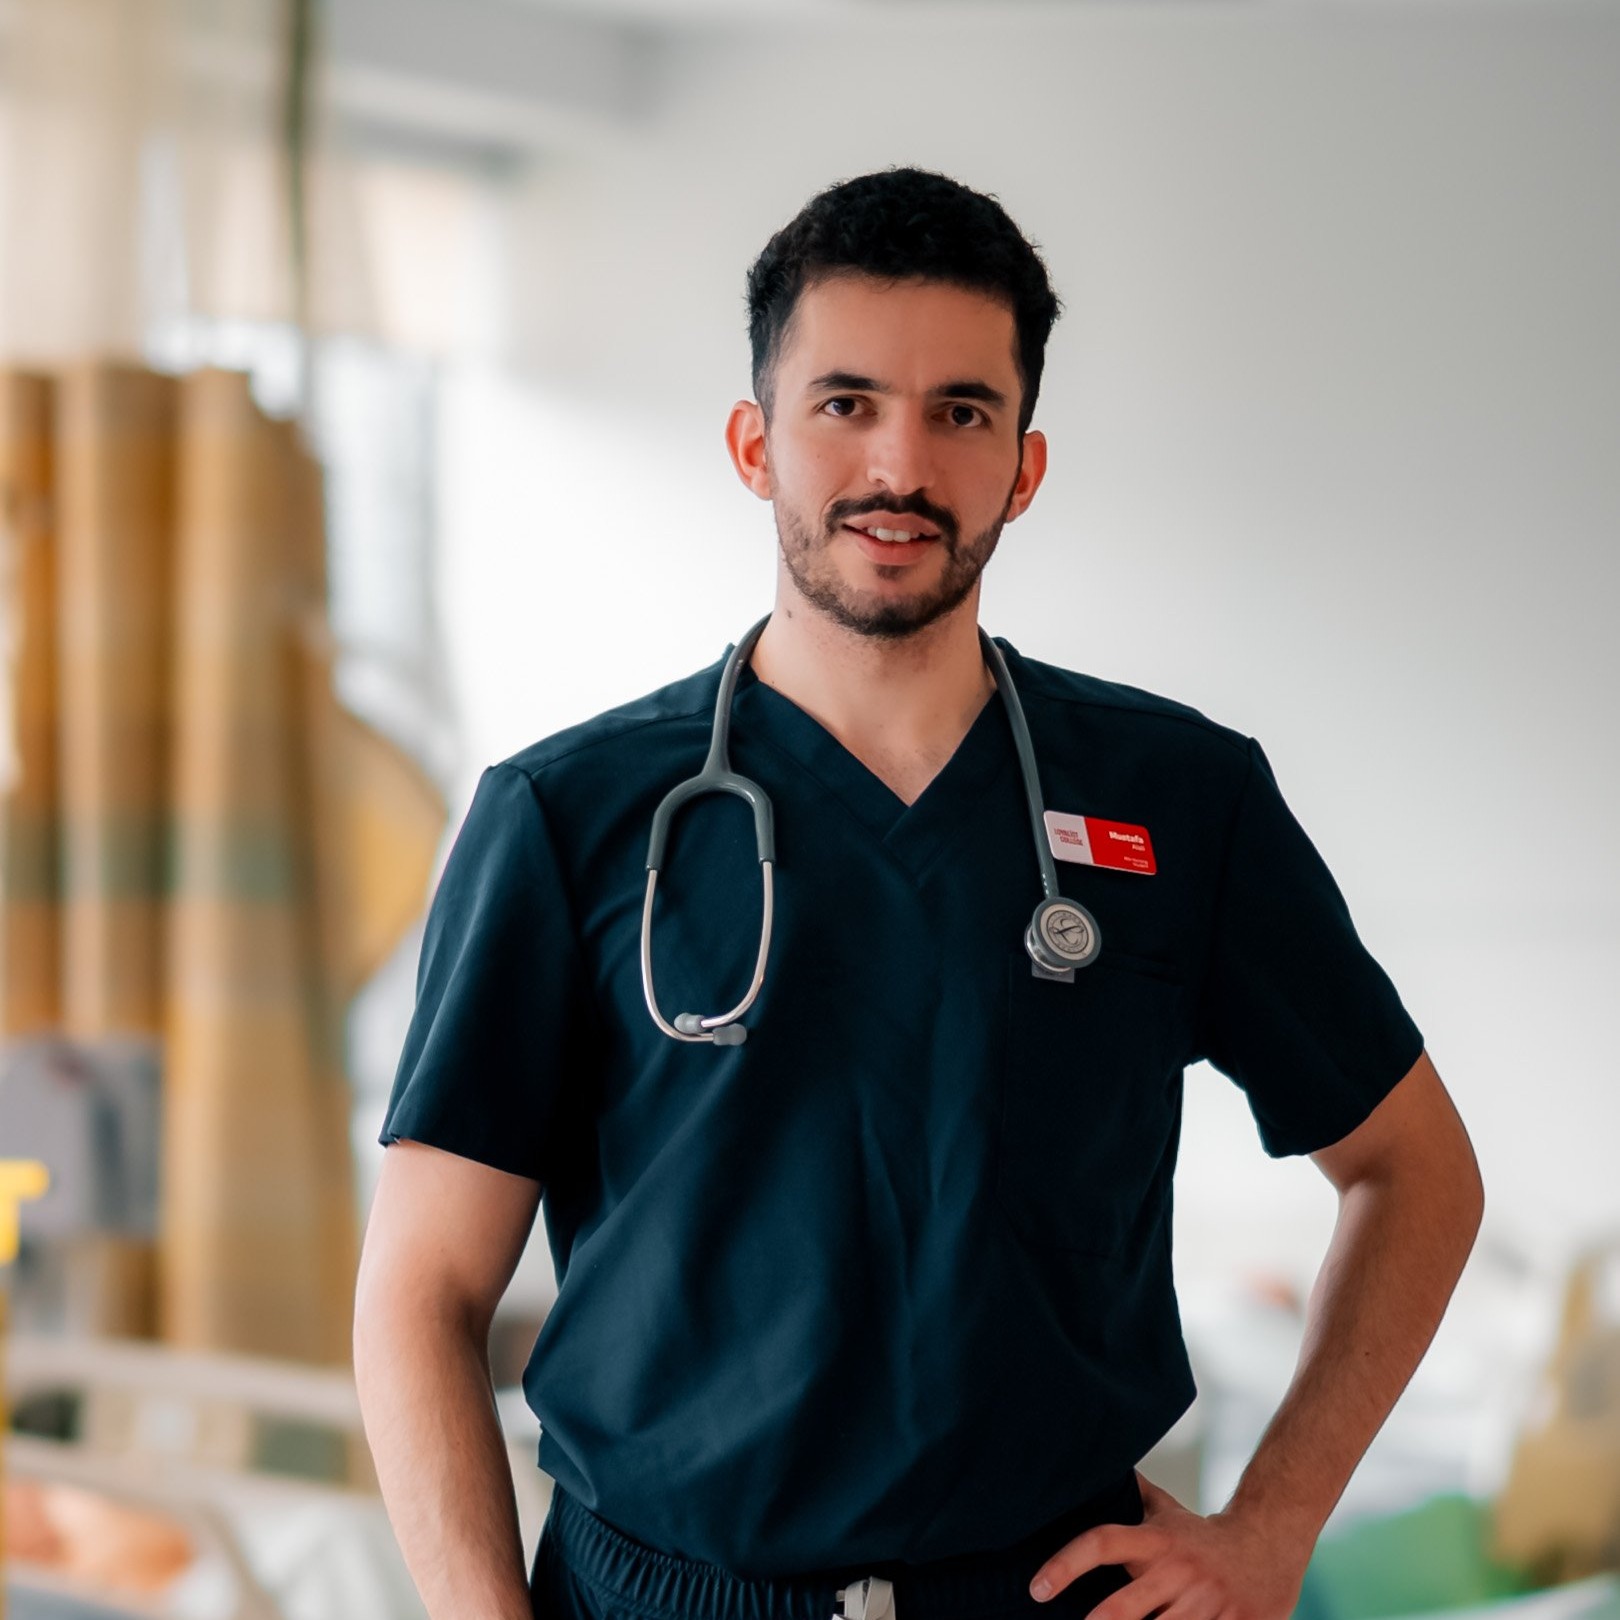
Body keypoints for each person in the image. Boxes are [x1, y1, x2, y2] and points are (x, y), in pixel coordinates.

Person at [352, 168, 1484, 1620]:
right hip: (661, 1596)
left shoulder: (1178, 801)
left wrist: (1274, 1527)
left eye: (961, 412)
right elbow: (421, 1292)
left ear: (1025, 464)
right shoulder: (566, 819)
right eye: (845, 405)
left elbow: (1417, 1171)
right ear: (754, 445)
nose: (902, 464)